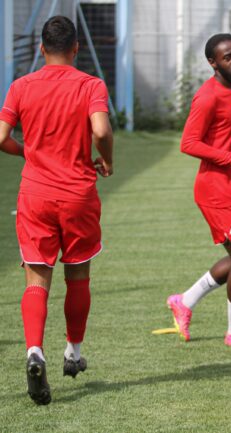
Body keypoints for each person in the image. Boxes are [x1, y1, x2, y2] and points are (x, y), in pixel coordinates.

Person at [0, 16, 114, 405]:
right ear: (77, 48)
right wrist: (106, 159)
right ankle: (73, 352)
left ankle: (34, 350)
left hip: (35, 195)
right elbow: (100, 130)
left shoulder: (21, 86)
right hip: (78, 194)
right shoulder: (90, 85)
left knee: (37, 278)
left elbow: (1, 137)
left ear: (41, 48)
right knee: (77, 274)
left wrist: (26, 152)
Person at [166, 34, 231, 348]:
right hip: (216, 189)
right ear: (213, 62)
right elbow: (189, 143)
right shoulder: (207, 96)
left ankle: (185, 301)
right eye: (228, 57)